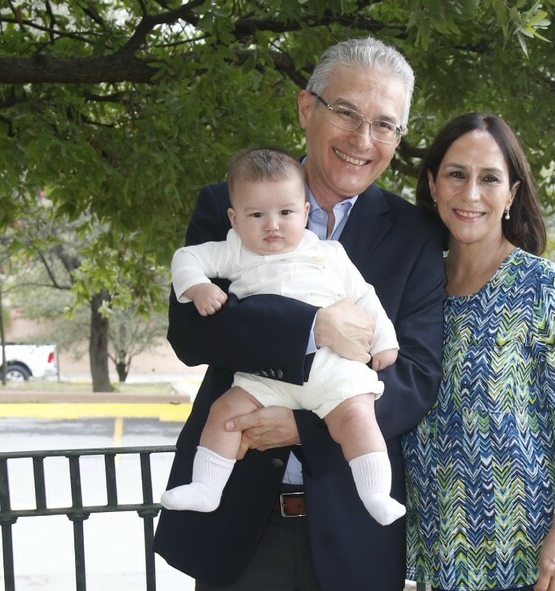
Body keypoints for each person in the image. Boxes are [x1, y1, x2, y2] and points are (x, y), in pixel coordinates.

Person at [154, 37, 446, 591]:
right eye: (347, 113)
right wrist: (311, 327)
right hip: (241, 524)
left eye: (385, 124)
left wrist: (306, 428)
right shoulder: (231, 204)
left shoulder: (415, 236)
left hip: (352, 533)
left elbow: (415, 377)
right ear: (307, 108)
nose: (363, 140)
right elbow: (192, 332)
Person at [404, 113, 555, 591]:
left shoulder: (541, 285)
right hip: (439, 556)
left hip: (524, 559)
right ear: (433, 185)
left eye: (489, 178)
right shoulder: (415, 284)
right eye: (456, 174)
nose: (471, 194)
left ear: (511, 194)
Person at [160, 147, 405, 526]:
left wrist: (384, 339)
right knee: (225, 413)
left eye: (286, 213)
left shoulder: (329, 253)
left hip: (332, 371)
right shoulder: (235, 251)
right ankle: (206, 488)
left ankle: (375, 492)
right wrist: (197, 288)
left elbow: (364, 296)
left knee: (358, 417)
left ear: (305, 212)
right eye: (257, 215)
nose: (272, 225)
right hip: (267, 377)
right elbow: (185, 258)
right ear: (235, 219)